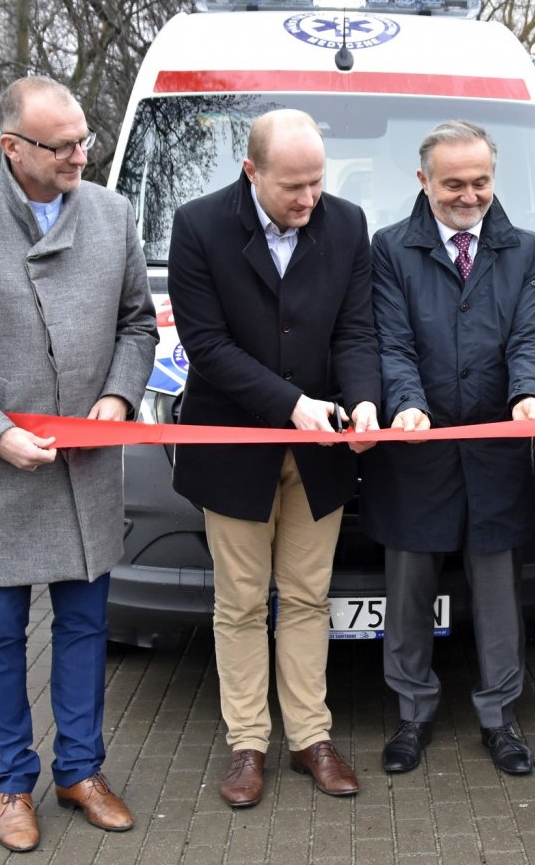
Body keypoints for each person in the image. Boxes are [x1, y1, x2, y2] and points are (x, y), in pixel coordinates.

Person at [0, 76, 157, 852]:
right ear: (12, 147)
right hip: (0, 474)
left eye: (86, 139)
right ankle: (10, 785)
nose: (81, 155)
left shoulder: (113, 215)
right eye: (63, 145)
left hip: (84, 472)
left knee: (85, 631)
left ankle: (81, 771)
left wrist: (118, 398)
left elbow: (137, 324)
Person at [168, 110, 380, 803]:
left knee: (309, 597)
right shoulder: (198, 226)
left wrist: (367, 401)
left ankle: (310, 738)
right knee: (239, 603)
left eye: (317, 182)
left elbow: (355, 331)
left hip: (319, 452)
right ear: (251, 172)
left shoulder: (347, 224)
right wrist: (291, 405)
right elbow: (207, 346)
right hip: (233, 447)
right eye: (293, 186)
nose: (309, 200)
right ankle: (247, 745)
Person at [362, 120, 535, 777]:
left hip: (495, 453)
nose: (470, 196)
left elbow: (533, 334)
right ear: (423, 182)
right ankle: (413, 714)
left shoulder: (523, 248)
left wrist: (530, 393)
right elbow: (390, 341)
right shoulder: (389, 249)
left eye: (481, 182)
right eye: (454, 185)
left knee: (499, 594)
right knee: (408, 590)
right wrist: (407, 402)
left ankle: (499, 718)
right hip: (416, 452)